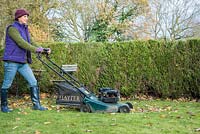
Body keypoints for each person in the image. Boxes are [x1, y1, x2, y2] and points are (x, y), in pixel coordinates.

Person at [1, 9, 51, 112]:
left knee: (33, 81)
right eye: (24, 16)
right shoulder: (12, 29)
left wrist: (43, 49)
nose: (26, 18)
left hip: (22, 62)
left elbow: (31, 42)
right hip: (11, 61)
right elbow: (21, 42)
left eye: (27, 16)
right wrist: (36, 50)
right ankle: (4, 106)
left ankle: (36, 105)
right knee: (7, 84)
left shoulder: (25, 29)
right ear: (19, 17)